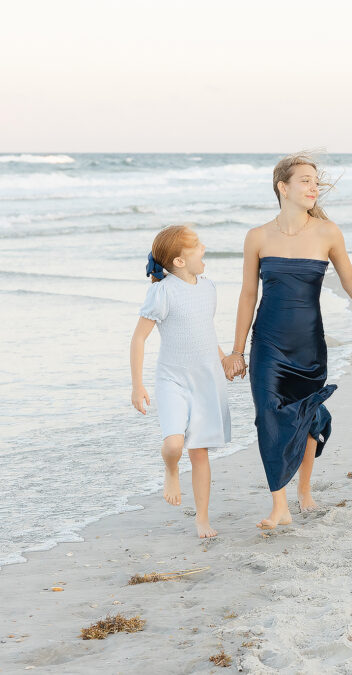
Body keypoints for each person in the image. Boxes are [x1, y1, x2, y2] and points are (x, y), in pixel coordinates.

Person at [223, 153, 352, 529]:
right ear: (283, 187)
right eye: (306, 181)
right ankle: (279, 504)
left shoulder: (328, 233)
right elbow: (248, 295)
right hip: (268, 345)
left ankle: (304, 490)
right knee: (268, 417)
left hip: (309, 344)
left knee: (307, 413)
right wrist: (236, 350)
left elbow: (350, 280)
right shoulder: (258, 237)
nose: (314, 187)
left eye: (315, 182)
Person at [130, 225, 230, 538]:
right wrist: (137, 385)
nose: (204, 249)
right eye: (197, 245)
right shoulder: (163, 292)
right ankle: (171, 469)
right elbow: (138, 339)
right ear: (179, 262)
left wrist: (224, 358)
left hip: (206, 380)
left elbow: (204, 332)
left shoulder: (208, 286)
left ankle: (202, 518)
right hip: (172, 379)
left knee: (199, 451)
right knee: (174, 444)